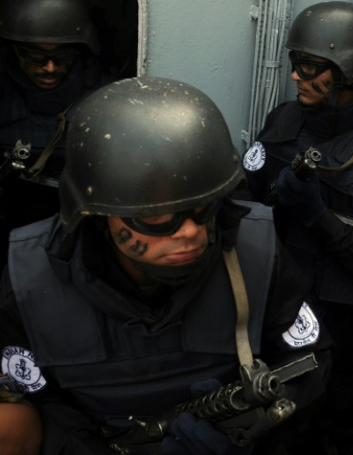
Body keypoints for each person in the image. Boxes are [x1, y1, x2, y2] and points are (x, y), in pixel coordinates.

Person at [0, 76, 331, 454]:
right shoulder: (28, 281)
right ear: (96, 215)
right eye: (157, 217)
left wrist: (248, 431)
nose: (190, 232)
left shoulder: (255, 253)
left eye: (203, 208)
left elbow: (307, 362)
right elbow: (38, 402)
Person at [241, 1, 353, 454]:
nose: (295, 76)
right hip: (270, 304)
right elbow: (244, 200)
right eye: (295, 63)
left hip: (340, 327)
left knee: (332, 429)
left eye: (308, 66)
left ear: (347, 73)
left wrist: (316, 216)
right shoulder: (285, 119)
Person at [0, 0, 111, 267]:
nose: (50, 68)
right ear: (13, 52)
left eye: (62, 56)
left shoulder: (108, 99)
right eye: (35, 57)